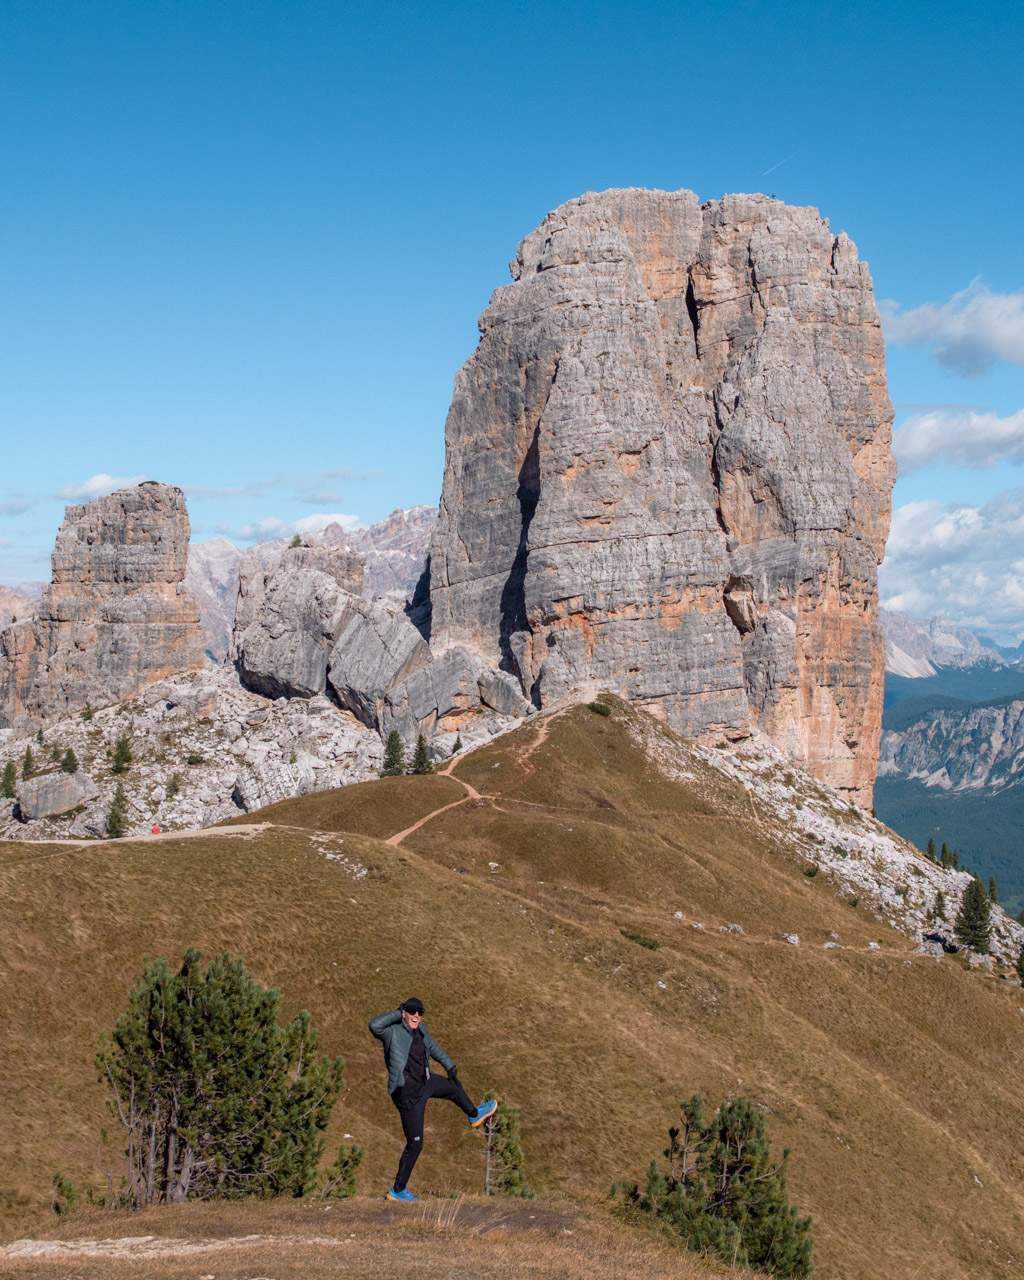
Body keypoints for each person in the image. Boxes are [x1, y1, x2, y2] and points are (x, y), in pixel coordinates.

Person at [369, 997, 497, 1202]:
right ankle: (397, 1191)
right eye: (412, 1012)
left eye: (419, 1012)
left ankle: (474, 1115)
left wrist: (450, 1066)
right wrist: (399, 1011)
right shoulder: (391, 1032)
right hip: (408, 1096)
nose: (416, 1016)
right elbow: (373, 1025)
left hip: (425, 1083)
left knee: (453, 1087)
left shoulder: (421, 1030)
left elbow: (434, 1047)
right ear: (404, 1013)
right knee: (415, 1144)